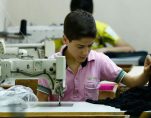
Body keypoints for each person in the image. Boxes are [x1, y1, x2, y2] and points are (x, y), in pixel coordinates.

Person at [37, 10, 151, 101]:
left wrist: (146, 73)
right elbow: (41, 103)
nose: (86, 52)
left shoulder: (99, 60)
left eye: (90, 46)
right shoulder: (50, 65)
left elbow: (132, 82)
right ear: (65, 40)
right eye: (80, 47)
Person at [54, 0, 135, 53]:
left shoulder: (103, 28)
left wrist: (105, 50)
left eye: (90, 45)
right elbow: (52, 54)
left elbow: (129, 49)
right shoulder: (61, 31)